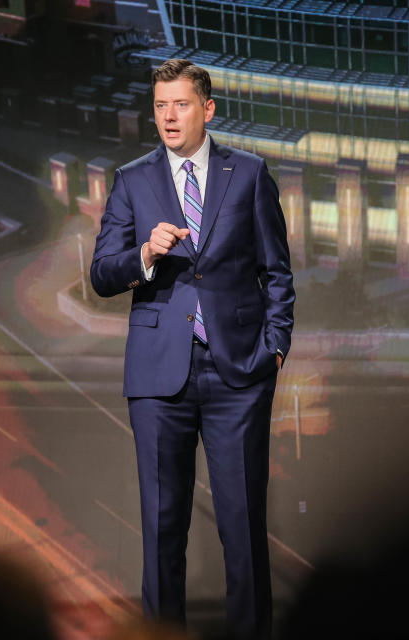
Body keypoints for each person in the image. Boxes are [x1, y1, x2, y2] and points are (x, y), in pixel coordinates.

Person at [90, 59, 294, 639]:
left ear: (207, 108)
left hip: (238, 376)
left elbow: (276, 273)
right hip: (160, 379)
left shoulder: (249, 174)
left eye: (180, 104)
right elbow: (103, 273)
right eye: (160, 106)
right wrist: (146, 256)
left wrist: (273, 349)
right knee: (162, 527)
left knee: (242, 528)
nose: (168, 116)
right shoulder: (133, 180)